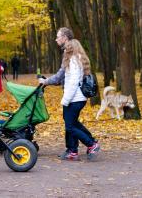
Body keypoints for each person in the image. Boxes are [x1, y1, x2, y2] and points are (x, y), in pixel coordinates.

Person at [39, 27, 99, 160]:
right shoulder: (71, 55)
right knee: (72, 123)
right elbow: (63, 77)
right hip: (76, 97)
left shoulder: (73, 59)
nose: (56, 39)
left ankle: (91, 144)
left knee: (70, 126)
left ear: (65, 38)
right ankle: (73, 150)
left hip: (75, 98)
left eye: (58, 36)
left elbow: (72, 82)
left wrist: (65, 100)